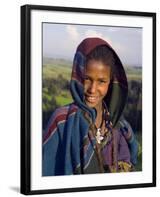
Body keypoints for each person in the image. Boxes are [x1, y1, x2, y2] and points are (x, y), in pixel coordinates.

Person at [42, 37, 138, 176]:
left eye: (101, 81)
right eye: (87, 79)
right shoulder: (61, 121)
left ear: (110, 82)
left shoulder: (118, 126)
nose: (92, 89)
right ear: (78, 75)